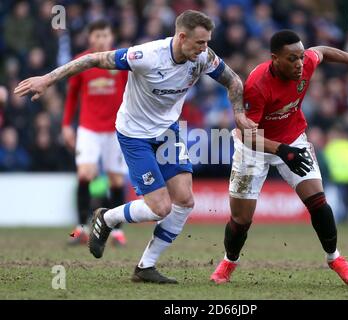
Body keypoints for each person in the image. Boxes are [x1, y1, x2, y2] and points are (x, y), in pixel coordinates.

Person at [14, 10, 256, 284]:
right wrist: (47, 78)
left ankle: (145, 267)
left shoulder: (203, 58)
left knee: (185, 201)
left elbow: (234, 81)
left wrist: (238, 113)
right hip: (135, 135)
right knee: (160, 208)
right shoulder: (146, 56)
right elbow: (93, 59)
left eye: (207, 42)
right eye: (200, 43)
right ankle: (106, 218)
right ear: (182, 36)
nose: (205, 49)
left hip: (167, 133)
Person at [210, 30, 348, 286]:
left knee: (319, 201)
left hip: (293, 139)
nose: (299, 64)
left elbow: (321, 50)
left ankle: (335, 258)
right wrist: (281, 150)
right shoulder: (257, 85)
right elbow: (247, 135)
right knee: (241, 220)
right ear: (275, 59)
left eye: (300, 57)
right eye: (292, 59)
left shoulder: (306, 62)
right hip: (255, 147)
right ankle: (229, 262)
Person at [62, 20, 129, 246]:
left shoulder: (120, 61)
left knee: (116, 179)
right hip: (88, 128)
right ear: (90, 38)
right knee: (85, 174)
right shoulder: (81, 62)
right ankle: (80, 228)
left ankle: (117, 232)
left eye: (105, 35)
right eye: (97, 35)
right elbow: (72, 96)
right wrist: (65, 125)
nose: (101, 39)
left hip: (115, 130)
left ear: (111, 38)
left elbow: (131, 93)